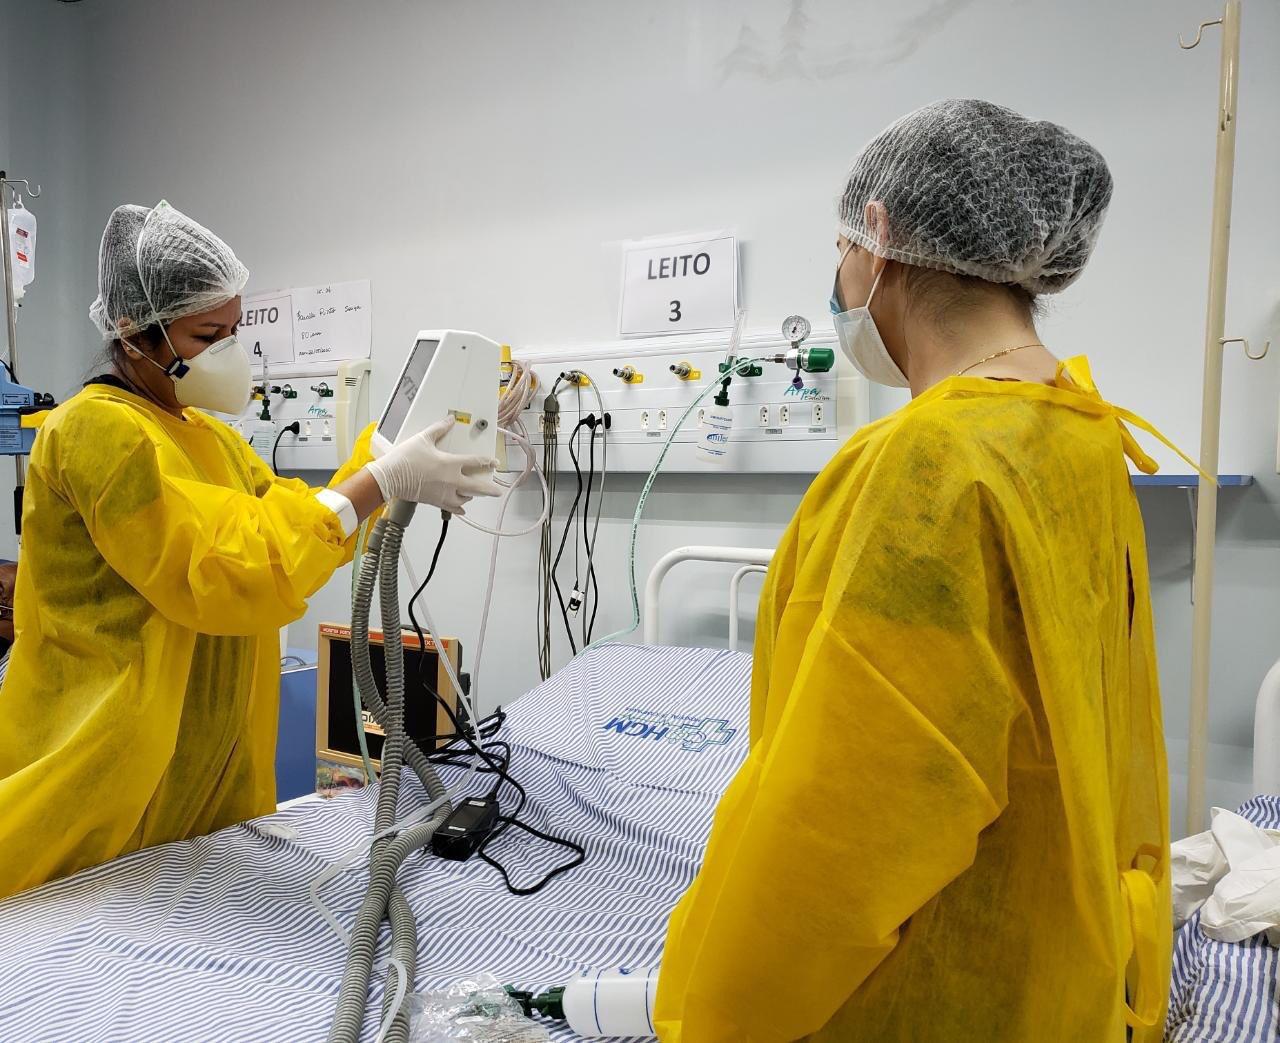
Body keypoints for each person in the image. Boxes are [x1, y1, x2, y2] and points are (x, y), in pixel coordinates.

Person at [655, 100, 1179, 1042]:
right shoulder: (1081, 430)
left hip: (932, 995)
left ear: (880, 234)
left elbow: (844, 828)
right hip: (1058, 970)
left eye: (842, 247)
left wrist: (717, 1013)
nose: (841, 272)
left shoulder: (929, 466)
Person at [0, 201, 500, 900]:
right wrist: (379, 482)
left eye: (235, 330)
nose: (230, 350)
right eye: (209, 335)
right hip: (102, 778)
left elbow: (294, 523)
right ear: (132, 329)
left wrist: (396, 461)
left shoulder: (209, 437)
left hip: (203, 783)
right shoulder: (95, 432)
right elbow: (226, 570)